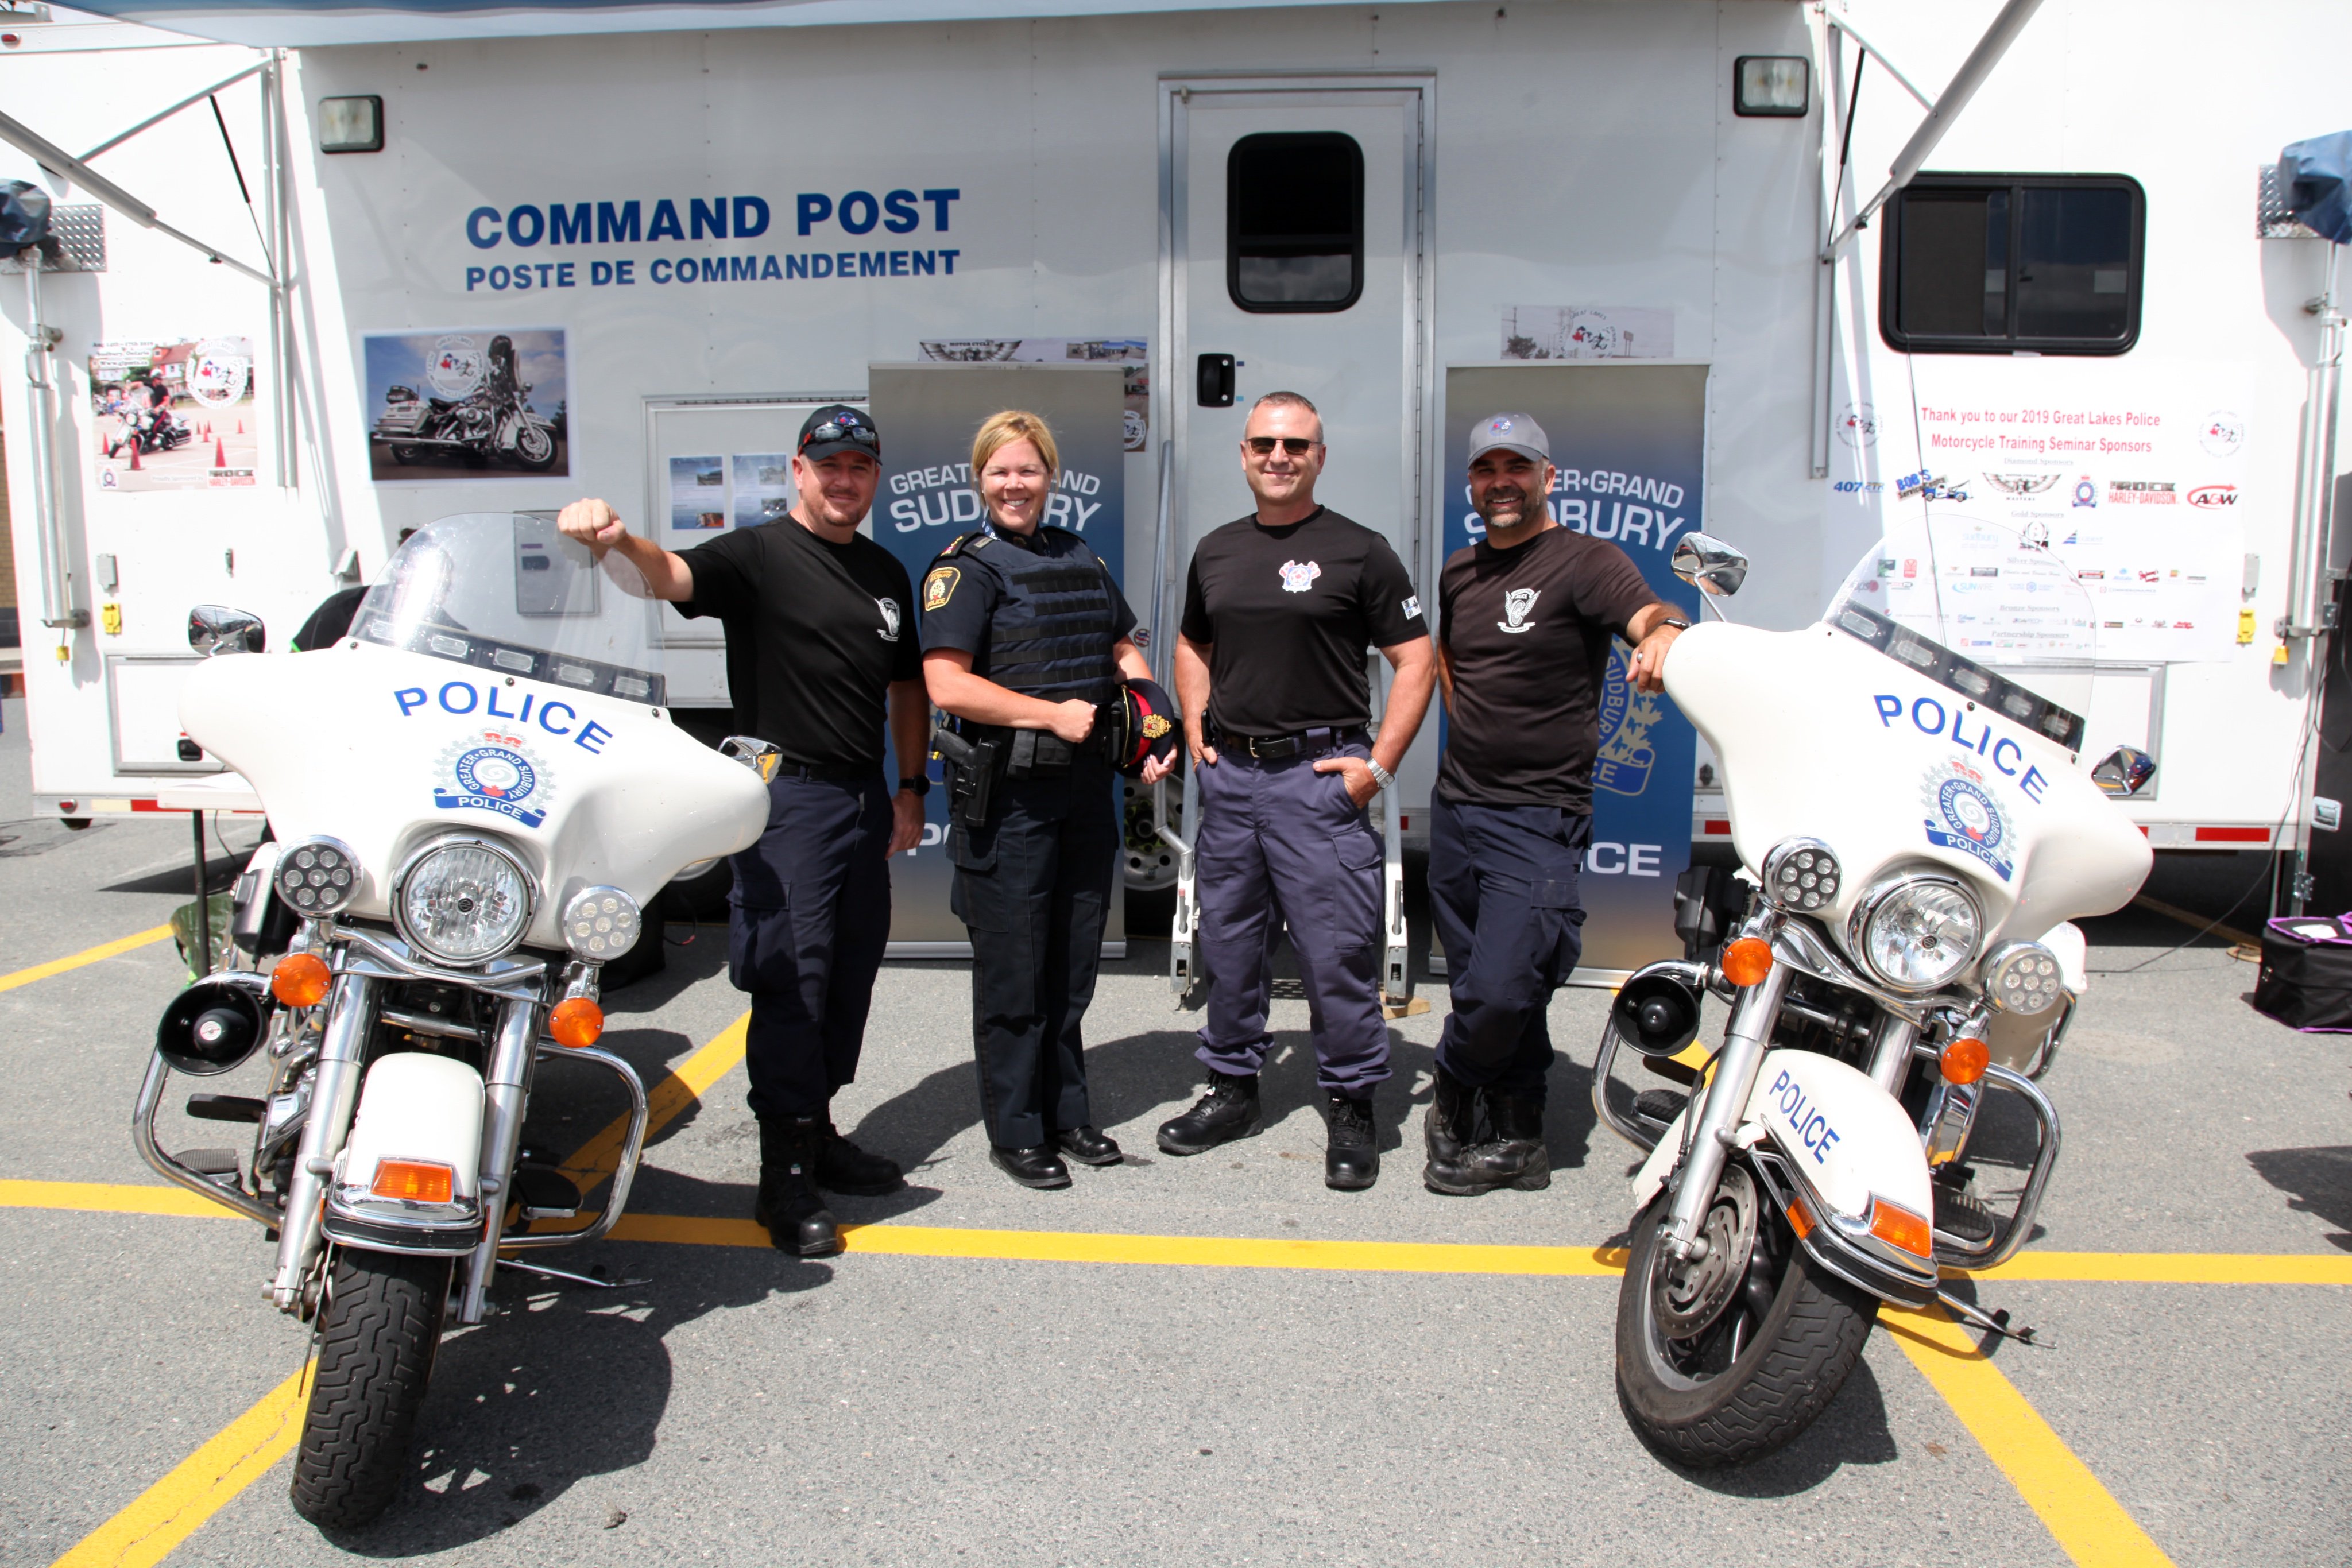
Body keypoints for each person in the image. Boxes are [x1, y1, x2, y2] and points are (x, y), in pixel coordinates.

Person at [556, 404, 927, 1257]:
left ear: (875, 478)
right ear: (797, 470)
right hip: (785, 800)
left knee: (847, 976)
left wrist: (909, 787)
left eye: (859, 467)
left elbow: (906, 688)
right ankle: (783, 1175)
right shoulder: (757, 555)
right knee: (791, 979)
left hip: (861, 798)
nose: (843, 480)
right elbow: (670, 576)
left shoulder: (882, 570)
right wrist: (614, 537)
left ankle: (820, 1128)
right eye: (827, 464)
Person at [1158, 390, 1437, 1190]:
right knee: (1232, 947)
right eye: (1265, 444)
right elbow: (1190, 642)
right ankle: (1232, 1086)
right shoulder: (1215, 550)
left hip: (1320, 785)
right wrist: (1195, 724)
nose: (1279, 457)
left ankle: (1352, 1104)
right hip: (1232, 782)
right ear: (1242, 454)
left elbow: (1416, 660)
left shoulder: (1360, 551)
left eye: (1297, 446)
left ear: (1319, 457)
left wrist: (1376, 767)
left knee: (1334, 954)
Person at [1422, 412, 1686, 1195]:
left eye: (1518, 467)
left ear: (1548, 475)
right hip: (1458, 809)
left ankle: (1452, 1086)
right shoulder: (1458, 570)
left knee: (1504, 985)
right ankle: (1520, 1132)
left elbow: (1649, 614)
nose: (1501, 482)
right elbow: (1450, 662)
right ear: (1470, 482)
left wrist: (1667, 634)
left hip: (1537, 817)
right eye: (1485, 469)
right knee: (1491, 984)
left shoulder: (1585, 562)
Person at [920, 411, 1178, 1189]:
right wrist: (1049, 713)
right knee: (1014, 972)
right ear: (980, 480)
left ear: (1049, 476)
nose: (1014, 484)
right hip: (1011, 796)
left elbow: (1121, 645)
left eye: (1028, 470)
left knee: (1069, 968)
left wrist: (1153, 720)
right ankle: (1017, 1130)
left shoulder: (1077, 555)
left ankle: (1068, 1115)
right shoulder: (965, 569)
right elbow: (947, 683)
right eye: (1000, 471)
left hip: (1082, 793)